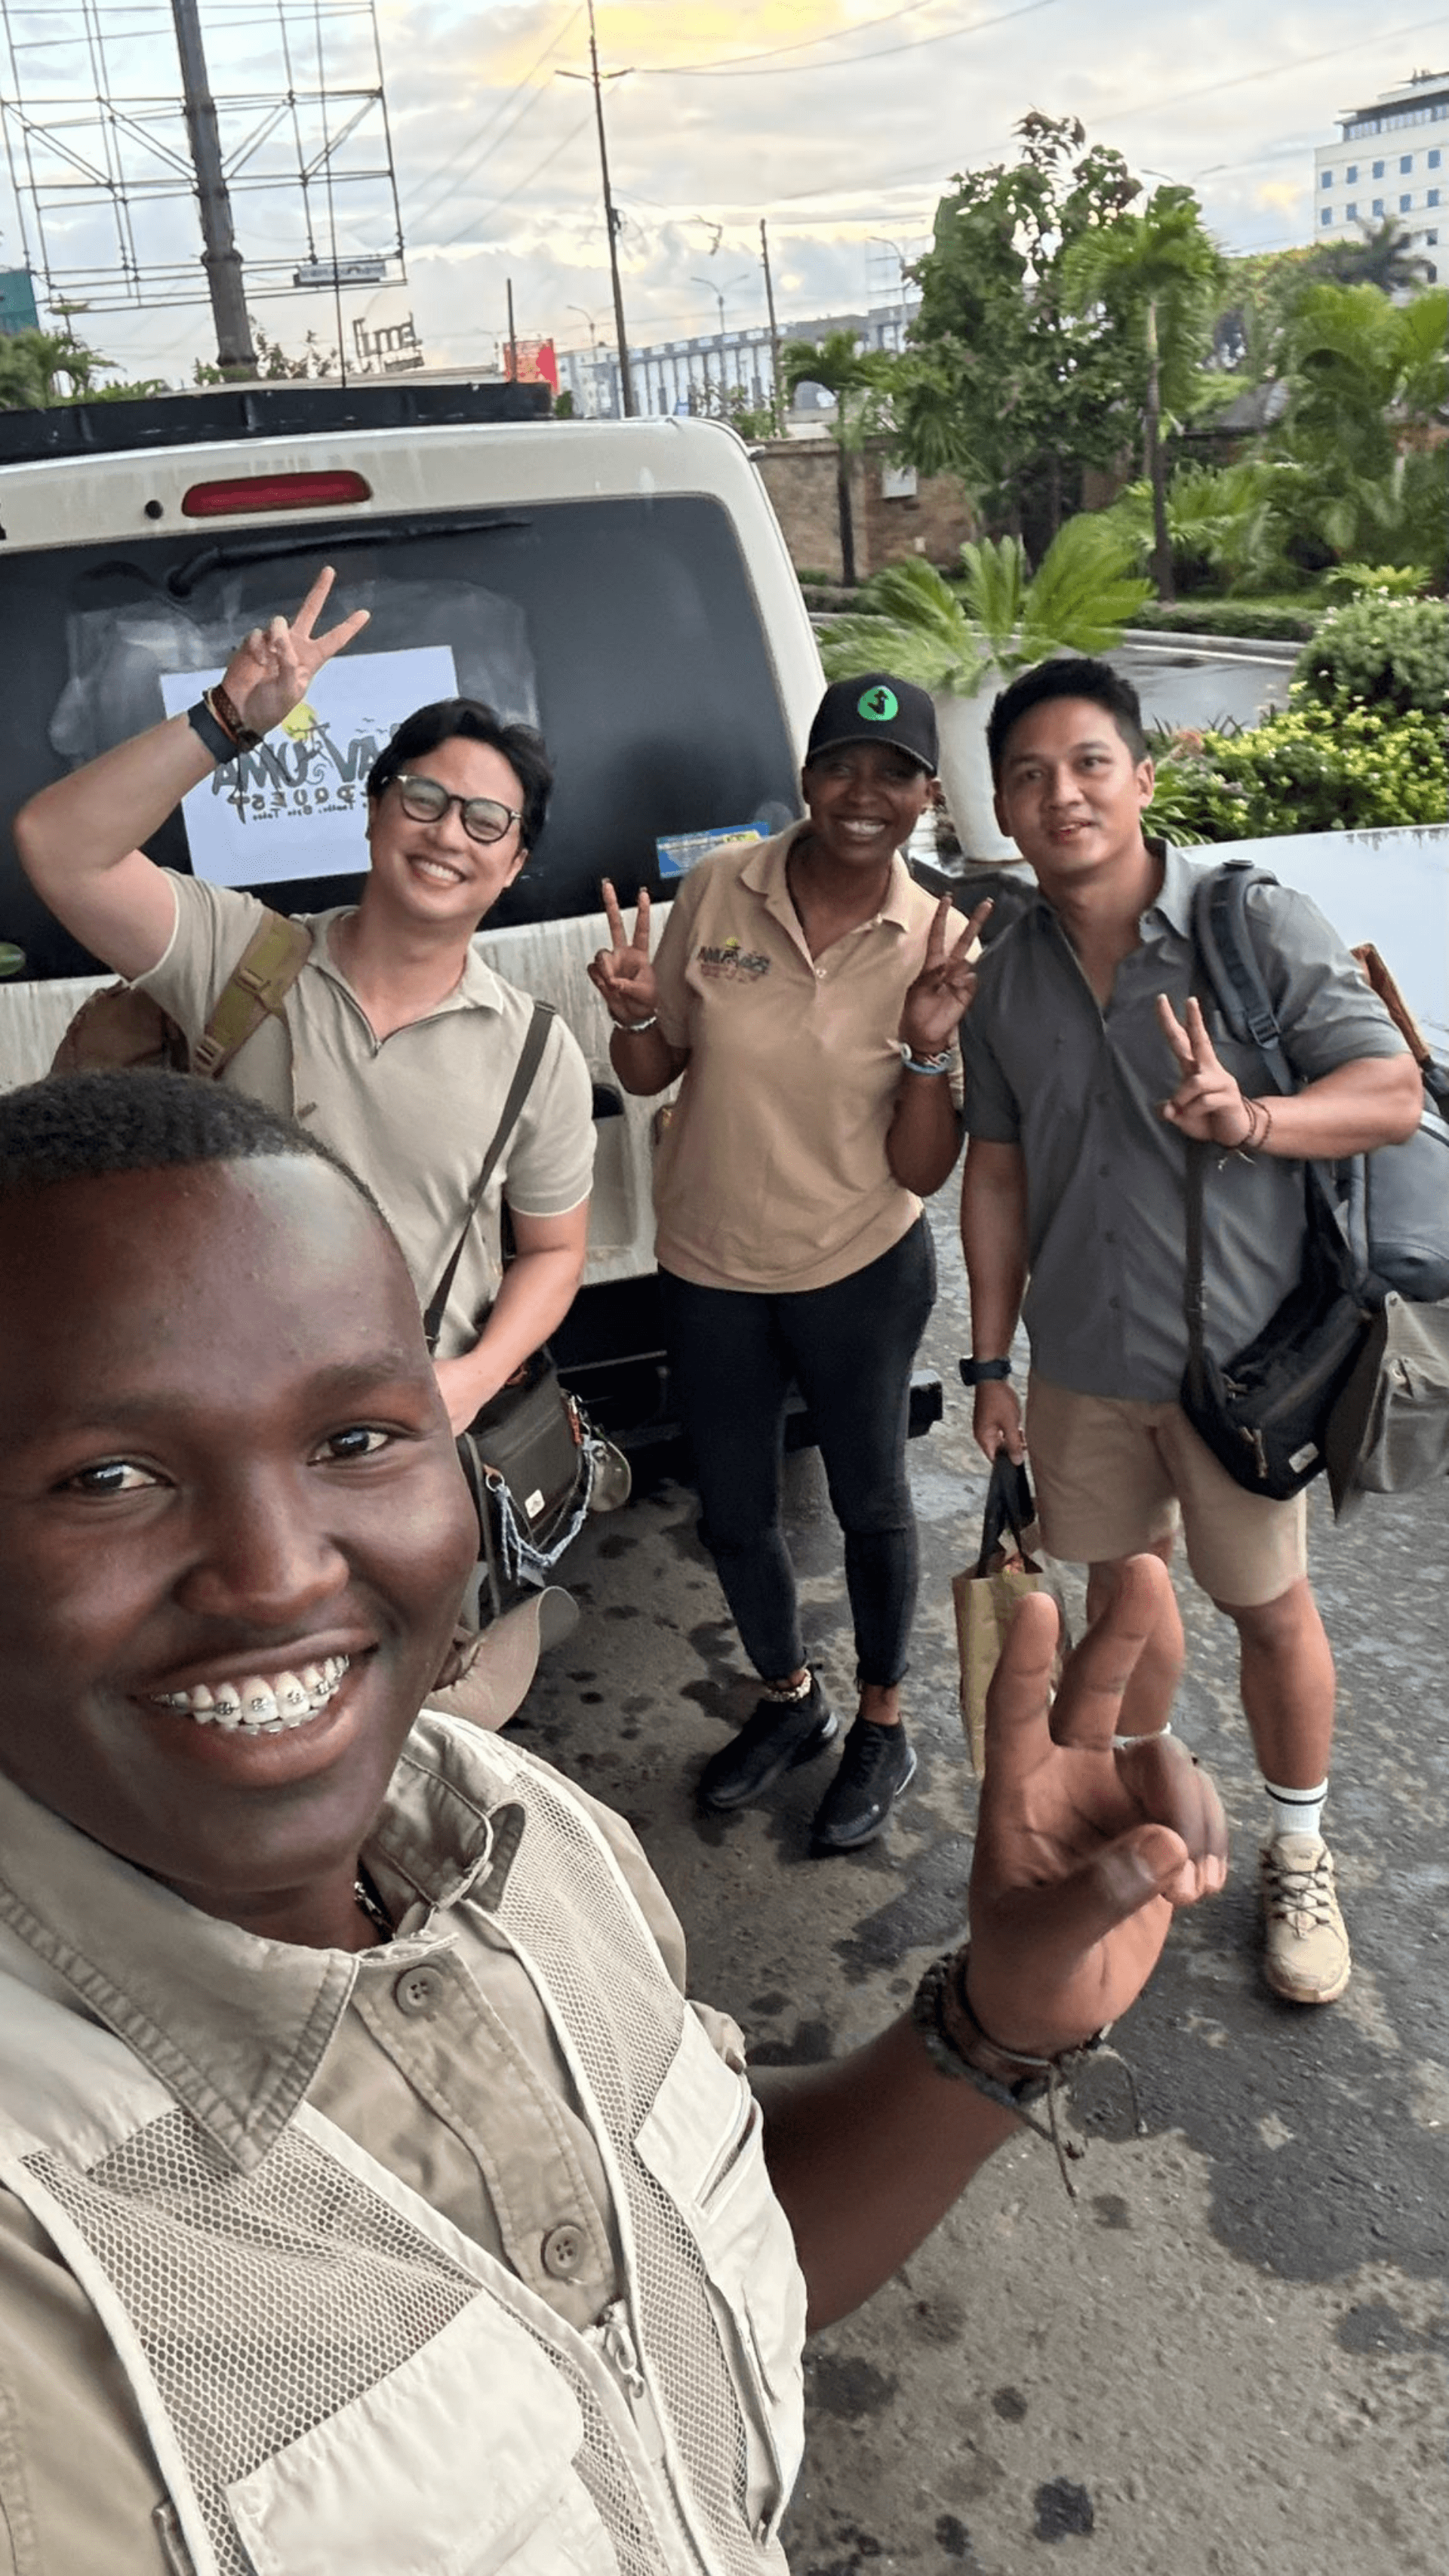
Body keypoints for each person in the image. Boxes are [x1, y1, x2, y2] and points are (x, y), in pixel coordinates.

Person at [0, 1068, 1226, 2574]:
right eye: (111, 1475)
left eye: (358, 1438)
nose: (274, 1573)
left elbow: (662, 2247)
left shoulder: (524, 1831)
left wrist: (997, 2021)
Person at [958, 655, 1421, 2008]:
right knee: (1120, 1593)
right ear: (1001, 803)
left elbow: (1388, 1089)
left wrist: (1255, 1121)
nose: (1063, 796)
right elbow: (994, 1165)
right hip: (1086, 1361)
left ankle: (1297, 1846)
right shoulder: (1004, 966)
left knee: (1269, 1606)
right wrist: (991, 1361)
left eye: (1090, 764)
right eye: (1031, 776)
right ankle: (1149, 1779)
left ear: (1143, 778)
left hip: (1244, 1368)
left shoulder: (1246, 926)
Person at [14, 568, 595, 1443]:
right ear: (373, 812)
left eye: (486, 822)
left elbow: (553, 1250)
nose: (446, 834)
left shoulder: (534, 1047)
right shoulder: (239, 954)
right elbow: (59, 848)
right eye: (424, 799)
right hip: (225, 1416)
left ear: (513, 865)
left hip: (410, 1430)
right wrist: (225, 720)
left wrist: (473, 1378)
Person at [589, 674, 989, 1853]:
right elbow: (657, 1070)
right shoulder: (722, 884)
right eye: (841, 767)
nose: (863, 796)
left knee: (872, 1503)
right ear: (806, 775)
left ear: (924, 795)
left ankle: (881, 1718)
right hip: (710, 1260)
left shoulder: (938, 937)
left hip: (857, 1264)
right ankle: (788, 1699)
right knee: (734, 1512)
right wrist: (627, 1014)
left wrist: (926, 1049)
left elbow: (921, 1173)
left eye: (894, 774)